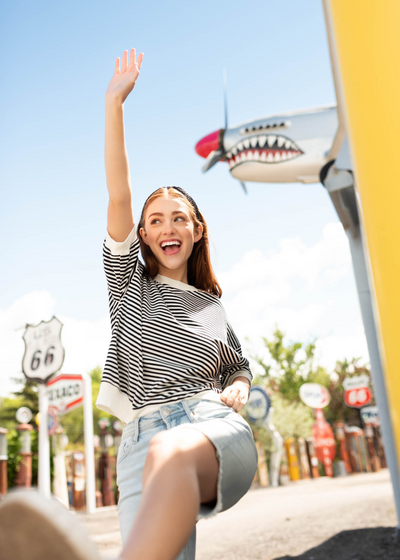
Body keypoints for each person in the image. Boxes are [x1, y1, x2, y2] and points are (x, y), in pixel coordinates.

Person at [0, 49, 257, 560]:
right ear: (142, 234)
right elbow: (120, 195)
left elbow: (238, 366)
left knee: (171, 454)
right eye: (156, 219)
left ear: (197, 229)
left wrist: (240, 389)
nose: (168, 226)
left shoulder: (209, 306)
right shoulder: (129, 283)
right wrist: (113, 103)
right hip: (140, 439)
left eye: (179, 217)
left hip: (211, 429)